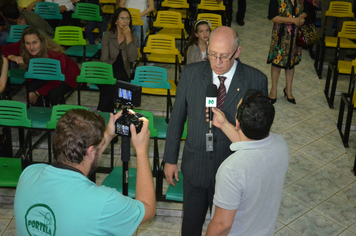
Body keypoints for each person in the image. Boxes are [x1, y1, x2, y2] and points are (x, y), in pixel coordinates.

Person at [163, 26, 268, 236]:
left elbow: (259, 134)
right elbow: (176, 119)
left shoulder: (256, 81)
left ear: (237, 52)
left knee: (226, 229)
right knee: (190, 228)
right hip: (196, 167)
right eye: (212, 54)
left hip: (234, 173)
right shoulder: (191, 74)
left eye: (223, 56)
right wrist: (170, 159)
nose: (217, 62)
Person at [14, 108, 156, 235]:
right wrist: (141, 150)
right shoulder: (105, 201)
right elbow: (148, 208)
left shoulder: (28, 174)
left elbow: (73, 175)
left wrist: (107, 135)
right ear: (90, 151)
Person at [205, 89, 289, 236]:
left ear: (238, 123)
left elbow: (222, 225)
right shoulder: (280, 145)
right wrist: (224, 124)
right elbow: (252, 146)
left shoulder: (232, 169)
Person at [1, 26, 78, 107]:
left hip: (67, 77)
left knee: (53, 94)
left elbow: (56, 81)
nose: (31, 47)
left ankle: (58, 116)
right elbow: (2, 49)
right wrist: (12, 57)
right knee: (30, 88)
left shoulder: (55, 54)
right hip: (43, 74)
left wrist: (37, 93)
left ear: (41, 41)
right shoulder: (24, 46)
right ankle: (39, 113)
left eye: (35, 42)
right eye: (28, 43)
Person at [267, 0, 306, 105]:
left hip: (295, 37)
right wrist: (292, 20)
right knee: (276, 62)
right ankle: (273, 90)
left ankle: (288, 90)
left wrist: (301, 17)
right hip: (281, 36)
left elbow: (306, 10)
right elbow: (272, 17)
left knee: (291, 63)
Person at [99, 7, 138, 112]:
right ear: (116, 21)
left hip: (123, 72)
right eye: (122, 18)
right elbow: (104, 59)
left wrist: (128, 38)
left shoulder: (133, 37)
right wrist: (107, 74)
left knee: (109, 86)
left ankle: (101, 113)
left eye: (128, 18)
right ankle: (107, 113)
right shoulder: (107, 35)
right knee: (109, 84)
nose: (125, 21)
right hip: (107, 70)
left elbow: (133, 58)